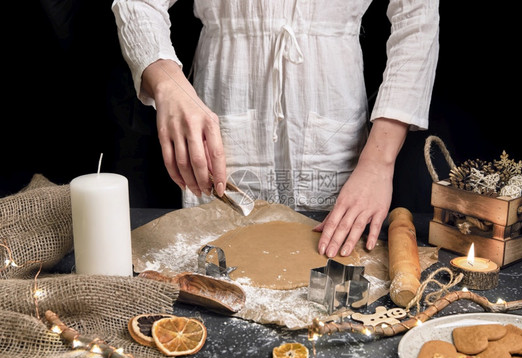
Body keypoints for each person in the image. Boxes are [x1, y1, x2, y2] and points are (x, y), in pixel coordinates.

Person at [111, 0, 439, 258]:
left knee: (332, 274)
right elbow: (137, 3)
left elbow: (416, 15)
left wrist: (378, 164)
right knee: (219, 271)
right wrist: (168, 85)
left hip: (334, 126)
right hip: (226, 109)